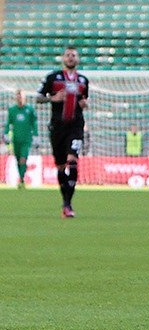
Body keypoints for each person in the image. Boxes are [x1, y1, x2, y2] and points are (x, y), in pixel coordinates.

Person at [37, 46, 89, 219]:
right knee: (60, 166)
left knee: (72, 161)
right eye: (68, 55)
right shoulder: (53, 78)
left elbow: (83, 98)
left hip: (75, 127)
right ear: (63, 58)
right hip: (57, 128)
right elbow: (38, 97)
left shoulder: (83, 80)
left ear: (78, 59)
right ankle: (65, 201)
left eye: (74, 55)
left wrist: (83, 103)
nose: (71, 58)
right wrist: (53, 98)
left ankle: (68, 204)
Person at [3, 90, 38, 189]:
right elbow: (8, 123)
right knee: (18, 160)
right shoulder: (12, 110)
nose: (20, 99)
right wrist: (5, 133)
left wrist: (36, 136)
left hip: (26, 140)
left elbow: (34, 124)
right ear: (16, 98)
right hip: (16, 139)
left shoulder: (30, 110)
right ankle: (21, 178)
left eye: (22, 97)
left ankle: (22, 179)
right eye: (18, 97)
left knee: (23, 159)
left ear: (25, 98)